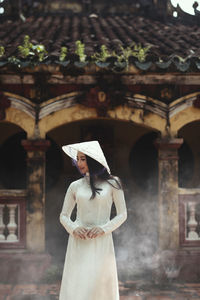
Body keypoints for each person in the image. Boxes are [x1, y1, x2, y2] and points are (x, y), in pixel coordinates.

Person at [59, 140, 127, 300]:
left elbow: (122, 214)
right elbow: (63, 215)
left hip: (101, 241)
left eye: (83, 158)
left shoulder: (113, 183)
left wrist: (104, 228)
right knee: (78, 285)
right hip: (78, 241)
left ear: (93, 159)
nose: (79, 163)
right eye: (78, 159)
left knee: (100, 286)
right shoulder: (74, 186)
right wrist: (74, 228)